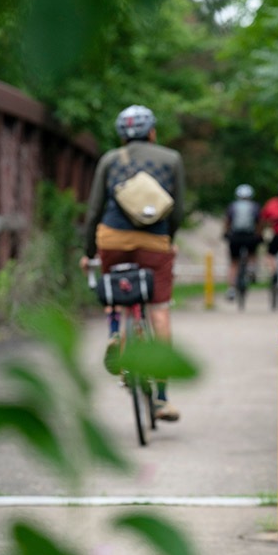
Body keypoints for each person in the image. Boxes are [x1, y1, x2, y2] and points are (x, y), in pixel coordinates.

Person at [80, 104, 185, 422]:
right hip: (154, 241)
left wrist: (90, 252)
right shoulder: (171, 159)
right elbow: (177, 208)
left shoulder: (110, 160)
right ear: (152, 132)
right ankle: (163, 398)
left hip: (112, 238)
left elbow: (94, 210)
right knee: (160, 311)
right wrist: (169, 239)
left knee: (122, 295)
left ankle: (117, 333)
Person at [223, 183, 262, 301]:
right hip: (250, 236)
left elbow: (227, 222)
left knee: (234, 263)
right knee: (252, 254)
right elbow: (259, 223)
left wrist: (226, 233)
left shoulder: (232, 206)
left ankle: (231, 288)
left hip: (235, 237)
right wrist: (259, 235)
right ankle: (251, 268)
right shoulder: (255, 206)